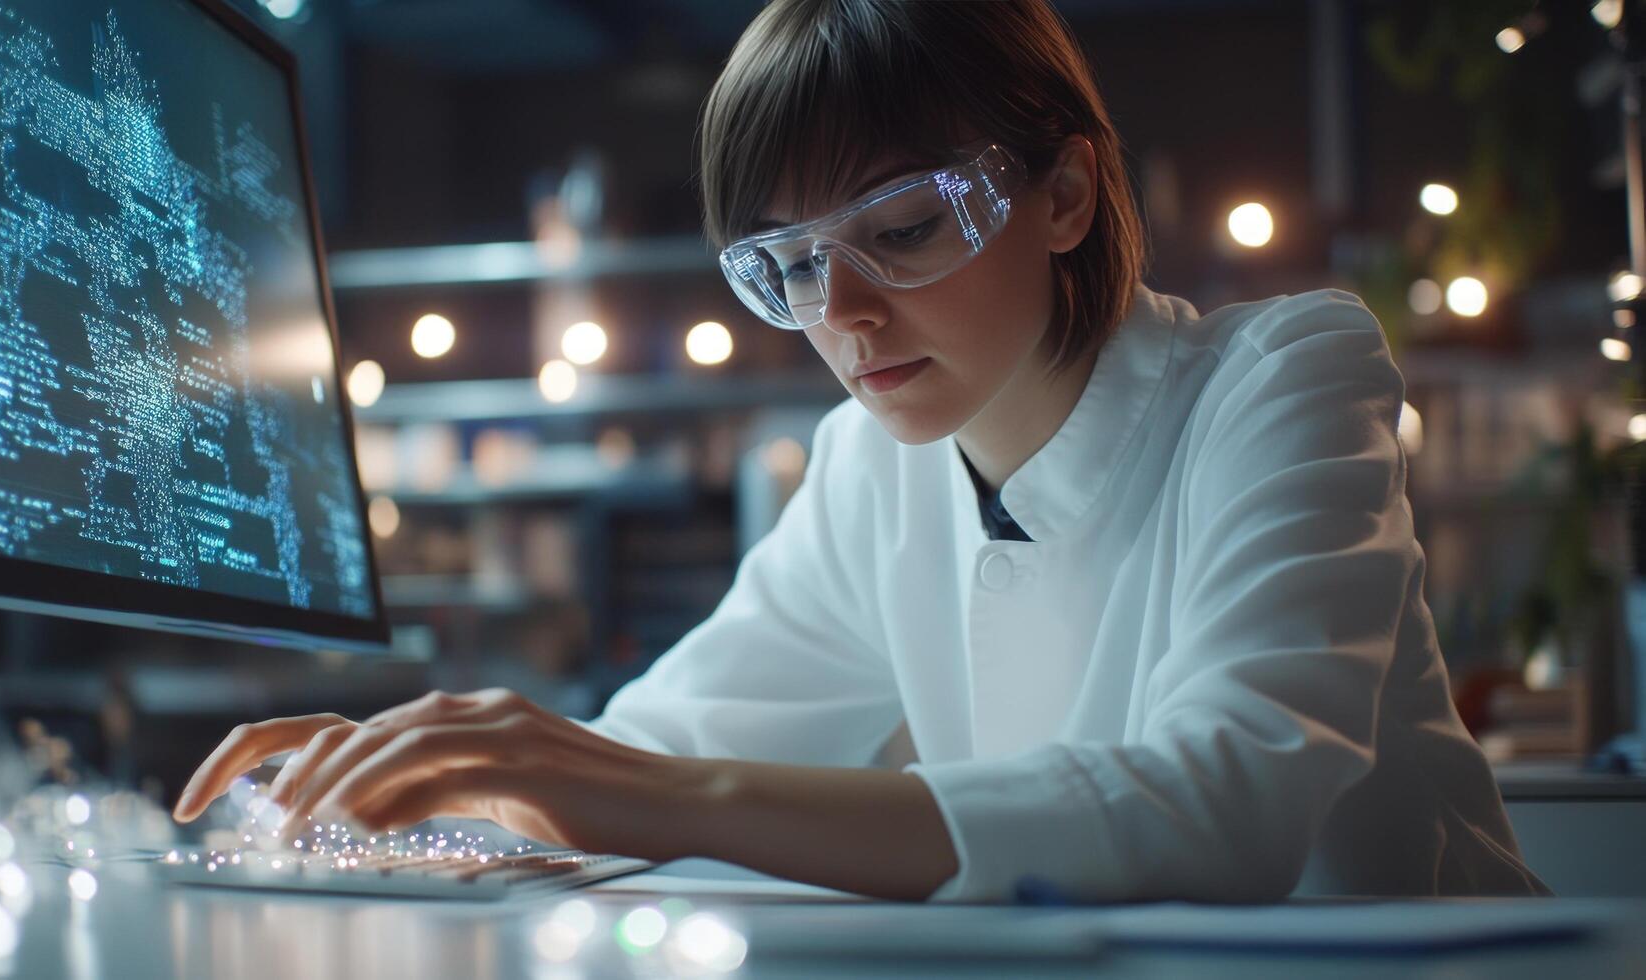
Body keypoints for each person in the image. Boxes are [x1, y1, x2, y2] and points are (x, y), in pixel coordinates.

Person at [171, 0, 1547, 903]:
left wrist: (646, 791)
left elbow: (1230, 798)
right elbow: (659, 748)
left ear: (1064, 192)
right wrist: (422, 786)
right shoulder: (867, 464)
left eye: (902, 230)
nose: (840, 314)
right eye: (784, 266)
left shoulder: (1281, 372)